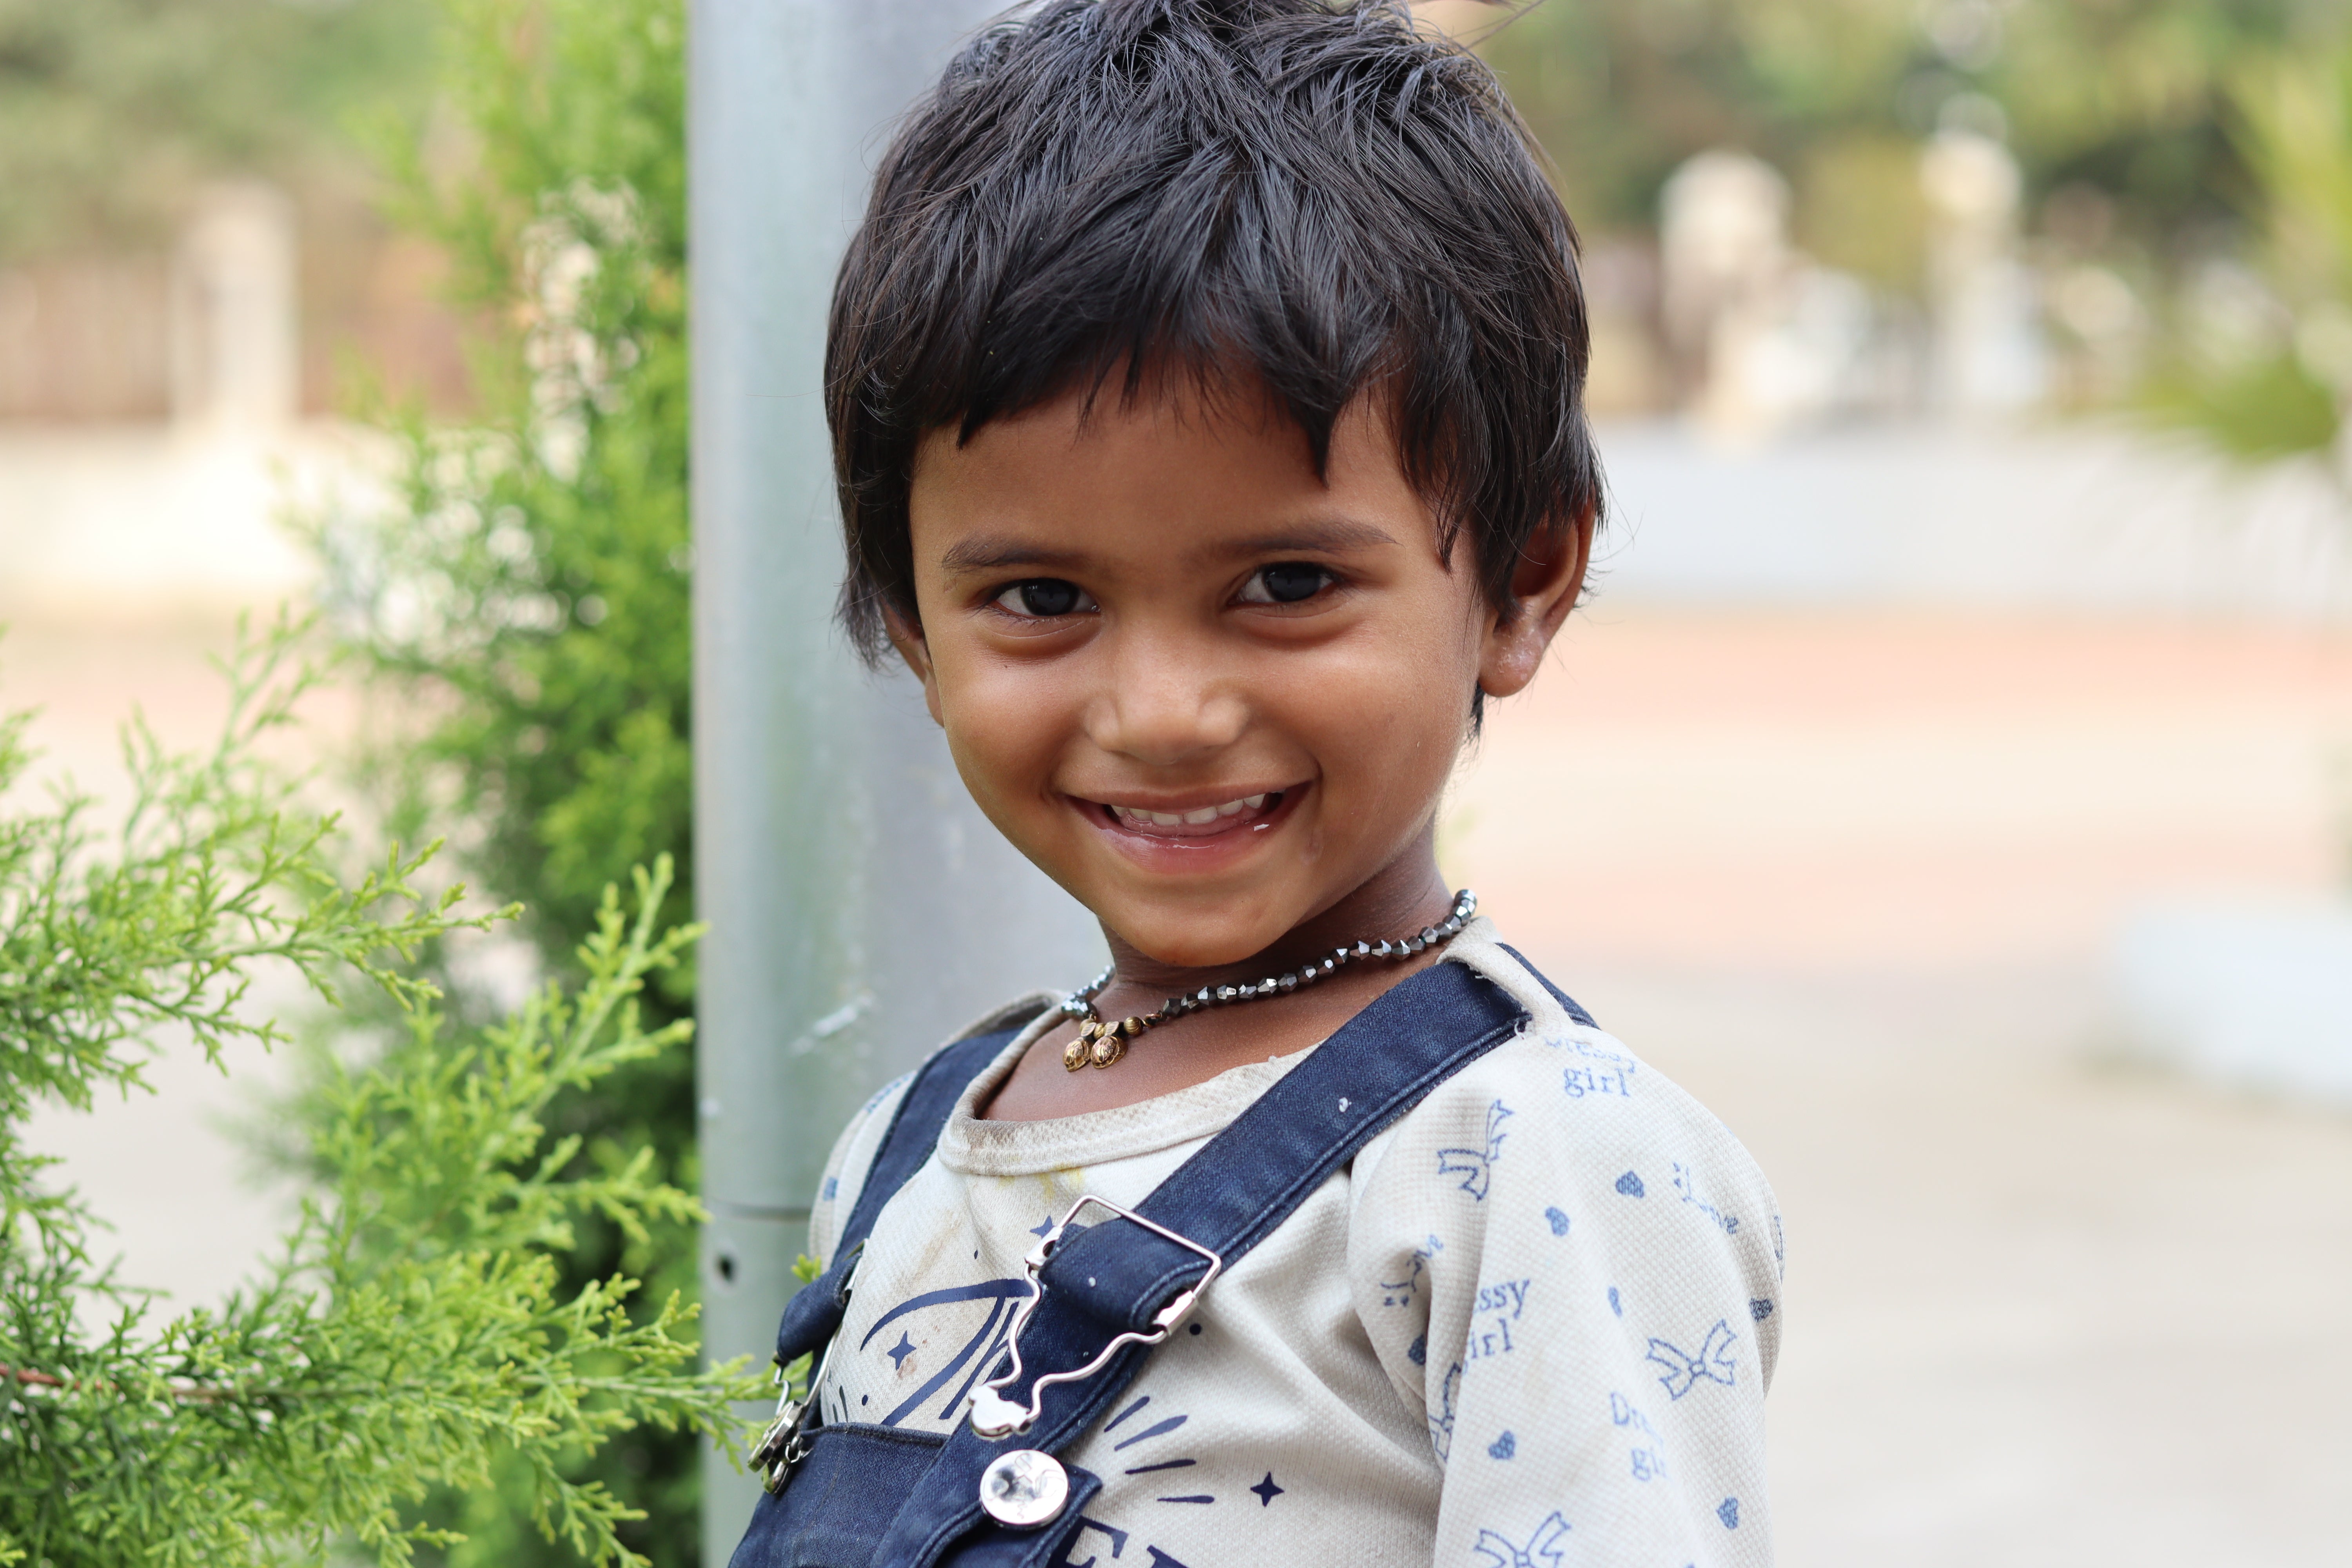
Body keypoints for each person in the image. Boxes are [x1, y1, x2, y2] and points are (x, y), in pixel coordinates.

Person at [731, 3, 1782, 1564]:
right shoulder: (911, 1140)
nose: (1162, 711)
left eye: (1285, 582)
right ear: (910, 620)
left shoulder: (1526, 1154)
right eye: (1038, 597)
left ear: (1523, 578)